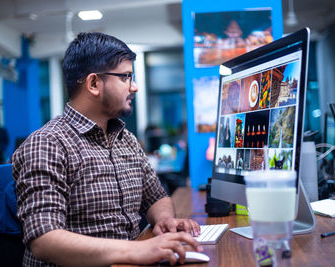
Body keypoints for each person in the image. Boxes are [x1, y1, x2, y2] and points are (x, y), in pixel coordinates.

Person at [12, 32, 202, 266]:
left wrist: (164, 220)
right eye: (126, 77)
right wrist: (136, 250)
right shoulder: (47, 144)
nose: (134, 87)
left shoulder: (127, 140)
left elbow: (156, 197)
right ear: (93, 84)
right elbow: (43, 238)